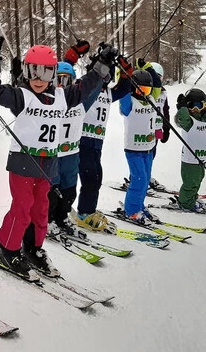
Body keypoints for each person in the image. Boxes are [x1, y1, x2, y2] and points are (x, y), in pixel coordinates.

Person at [0, 38, 108, 278]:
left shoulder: (63, 97)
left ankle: (33, 248)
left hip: (49, 164)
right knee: (22, 209)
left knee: (41, 210)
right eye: (33, 71)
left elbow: (88, 84)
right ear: (27, 72)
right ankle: (8, 249)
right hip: (23, 162)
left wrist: (102, 65)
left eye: (45, 71)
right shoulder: (22, 96)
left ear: (53, 73)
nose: (39, 78)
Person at [69, 47, 132, 233]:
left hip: (96, 143)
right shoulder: (85, 88)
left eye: (109, 77)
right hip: (81, 140)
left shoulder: (107, 92)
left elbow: (124, 89)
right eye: (105, 75)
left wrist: (126, 72)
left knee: (96, 178)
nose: (107, 79)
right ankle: (84, 212)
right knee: (90, 178)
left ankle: (87, 210)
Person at [43, 61, 92, 237]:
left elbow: (93, 87)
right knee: (52, 190)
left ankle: (62, 218)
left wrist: (100, 71)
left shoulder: (80, 102)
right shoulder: (49, 100)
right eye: (58, 80)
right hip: (54, 155)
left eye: (67, 80)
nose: (62, 85)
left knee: (69, 189)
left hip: (71, 154)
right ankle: (47, 221)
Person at [119, 69, 160, 224]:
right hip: (134, 149)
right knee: (139, 179)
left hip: (148, 148)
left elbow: (157, 85)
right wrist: (124, 77)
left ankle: (139, 205)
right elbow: (122, 94)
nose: (144, 92)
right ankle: (131, 210)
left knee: (146, 179)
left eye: (147, 89)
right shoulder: (129, 101)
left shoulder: (152, 99)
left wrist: (150, 69)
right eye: (140, 89)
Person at [174, 88, 206, 211]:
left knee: (198, 180)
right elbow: (183, 117)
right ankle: (185, 203)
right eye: (192, 106)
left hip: (202, 157)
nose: (195, 109)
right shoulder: (189, 122)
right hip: (190, 160)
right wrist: (182, 107)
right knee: (190, 183)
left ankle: (192, 198)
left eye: (199, 105)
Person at [148, 62, 170, 192]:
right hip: (145, 128)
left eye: (160, 78)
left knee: (152, 154)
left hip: (157, 128)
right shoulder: (143, 91)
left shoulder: (163, 93)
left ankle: (146, 176)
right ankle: (138, 178)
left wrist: (166, 128)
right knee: (143, 154)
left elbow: (165, 110)